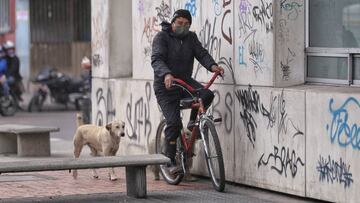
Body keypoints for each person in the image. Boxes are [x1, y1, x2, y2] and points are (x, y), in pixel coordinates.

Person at [151, 9, 224, 173]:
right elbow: (157, 59)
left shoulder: (191, 38)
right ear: (173, 23)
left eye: (186, 24)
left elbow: (201, 53)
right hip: (166, 86)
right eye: (179, 23)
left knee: (206, 94)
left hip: (184, 82)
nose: (183, 26)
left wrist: (213, 66)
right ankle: (169, 161)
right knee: (174, 123)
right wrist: (166, 74)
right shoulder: (162, 38)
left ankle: (192, 125)